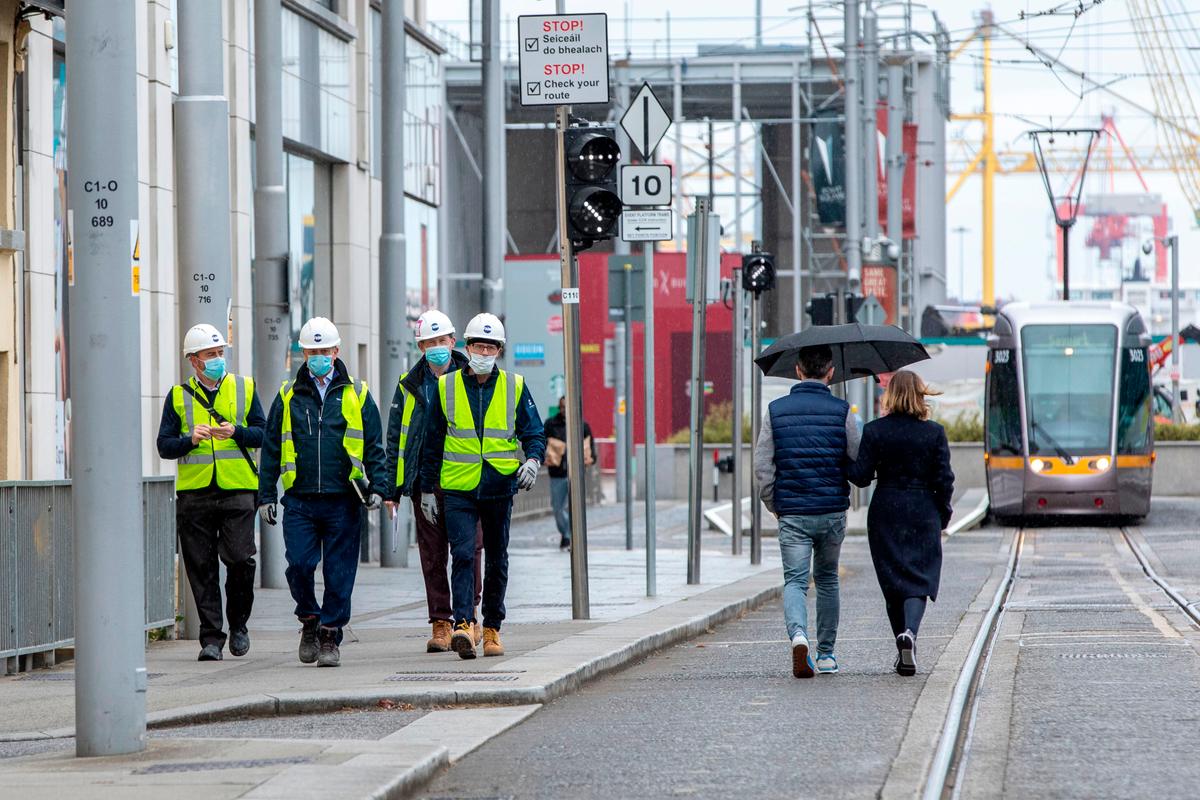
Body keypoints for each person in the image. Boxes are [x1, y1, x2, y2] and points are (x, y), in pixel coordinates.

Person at [258, 317, 388, 668]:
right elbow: (271, 447)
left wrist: (379, 487)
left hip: (343, 499)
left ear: (336, 351)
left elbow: (375, 445)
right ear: (302, 352)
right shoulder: (288, 395)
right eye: (312, 351)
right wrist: (266, 495)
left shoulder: (357, 394)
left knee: (339, 573)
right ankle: (309, 619)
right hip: (299, 499)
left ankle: (330, 634)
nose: (318, 356)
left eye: (324, 350)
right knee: (299, 565)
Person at [419, 313, 547, 660]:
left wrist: (533, 461)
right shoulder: (446, 388)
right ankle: (463, 623)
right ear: (468, 346)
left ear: (499, 350)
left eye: (491, 346)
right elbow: (431, 442)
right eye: (478, 345)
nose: (484, 351)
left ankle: (491, 628)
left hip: (498, 487)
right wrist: (428, 489)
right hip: (458, 488)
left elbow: (534, 432)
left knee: (497, 559)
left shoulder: (514, 386)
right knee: (461, 554)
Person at [156, 323, 265, 662]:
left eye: (220, 353)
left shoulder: (245, 388)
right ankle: (211, 639)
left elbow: (264, 434)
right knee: (201, 568)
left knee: (241, 559)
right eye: (210, 355)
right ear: (194, 361)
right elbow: (164, 446)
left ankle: (239, 625)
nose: (218, 359)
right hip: (196, 494)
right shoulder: (177, 396)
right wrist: (191, 439)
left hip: (238, 489)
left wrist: (238, 431)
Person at [753, 344, 859, 679]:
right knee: (827, 579)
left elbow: (761, 466)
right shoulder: (843, 411)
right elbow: (857, 459)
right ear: (830, 372)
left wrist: (775, 504)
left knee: (795, 581)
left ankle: (799, 636)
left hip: (793, 512)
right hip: (830, 511)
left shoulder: (775, 411)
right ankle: (826, 654)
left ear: (798, 370)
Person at [385, 309, 484, 653]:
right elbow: (396, 437)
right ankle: (441, 622)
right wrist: (392, 490)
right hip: (423, 483)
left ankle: (467, 618)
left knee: (469, 550)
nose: (435, 348)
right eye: (428, 343)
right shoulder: (410, 385)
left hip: (466, 479)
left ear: (452, 342)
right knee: (432, 555)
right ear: (420, 347)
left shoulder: (471, 376)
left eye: (440, 341)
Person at [848, 370, 954, 677]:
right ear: (920, 395)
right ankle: (909, 633)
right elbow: (944, 479)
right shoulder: (934, 432)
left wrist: (845, 457)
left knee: (893, 580)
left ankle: (901, 643)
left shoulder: (875, 430)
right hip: (922, 509)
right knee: (918, 578)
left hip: (886, 510)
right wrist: (942, 513)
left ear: (890, 396)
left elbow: (861, 476)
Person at [543, 395, 596, 550]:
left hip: (577, 473)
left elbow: (590, 446)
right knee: (558, 508)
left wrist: (592, 459)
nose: (565, 410)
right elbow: (540, 442)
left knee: (573, 507)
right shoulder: (551, 424)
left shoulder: (582, 425)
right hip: (558, 473)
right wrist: (542, 457)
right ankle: (567, 533)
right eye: (562, 407)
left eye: (567, 407)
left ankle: (568, 537)